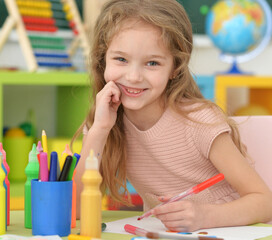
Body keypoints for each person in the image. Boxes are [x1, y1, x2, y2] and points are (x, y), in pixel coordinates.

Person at [73, 0, 272, 232]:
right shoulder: (105, 120)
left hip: (229, 231)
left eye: (152, 63)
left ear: (175, 67)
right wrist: (99, 130)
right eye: (121, 59)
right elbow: (75, 210)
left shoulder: (199, 122)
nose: (134, 76)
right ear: (102, 59)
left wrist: (205, 216)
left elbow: (264, 202)